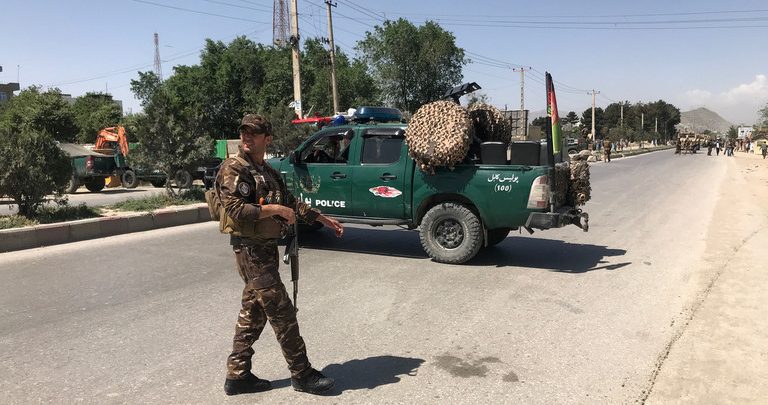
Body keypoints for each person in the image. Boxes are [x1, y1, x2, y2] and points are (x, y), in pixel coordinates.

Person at [215, 113, 344, 396]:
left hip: (265, 249)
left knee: (253, 312)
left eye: (254, 133)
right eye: (244, 132)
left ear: (267, 139)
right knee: (282, 311)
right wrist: (275, 210)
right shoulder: (234, 168)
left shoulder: (268, 172)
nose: (247, 137)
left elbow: (292, 203)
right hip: (250, 251)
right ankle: (302, 374)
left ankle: (237, 376)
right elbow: (234, 208)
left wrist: (323, 219)